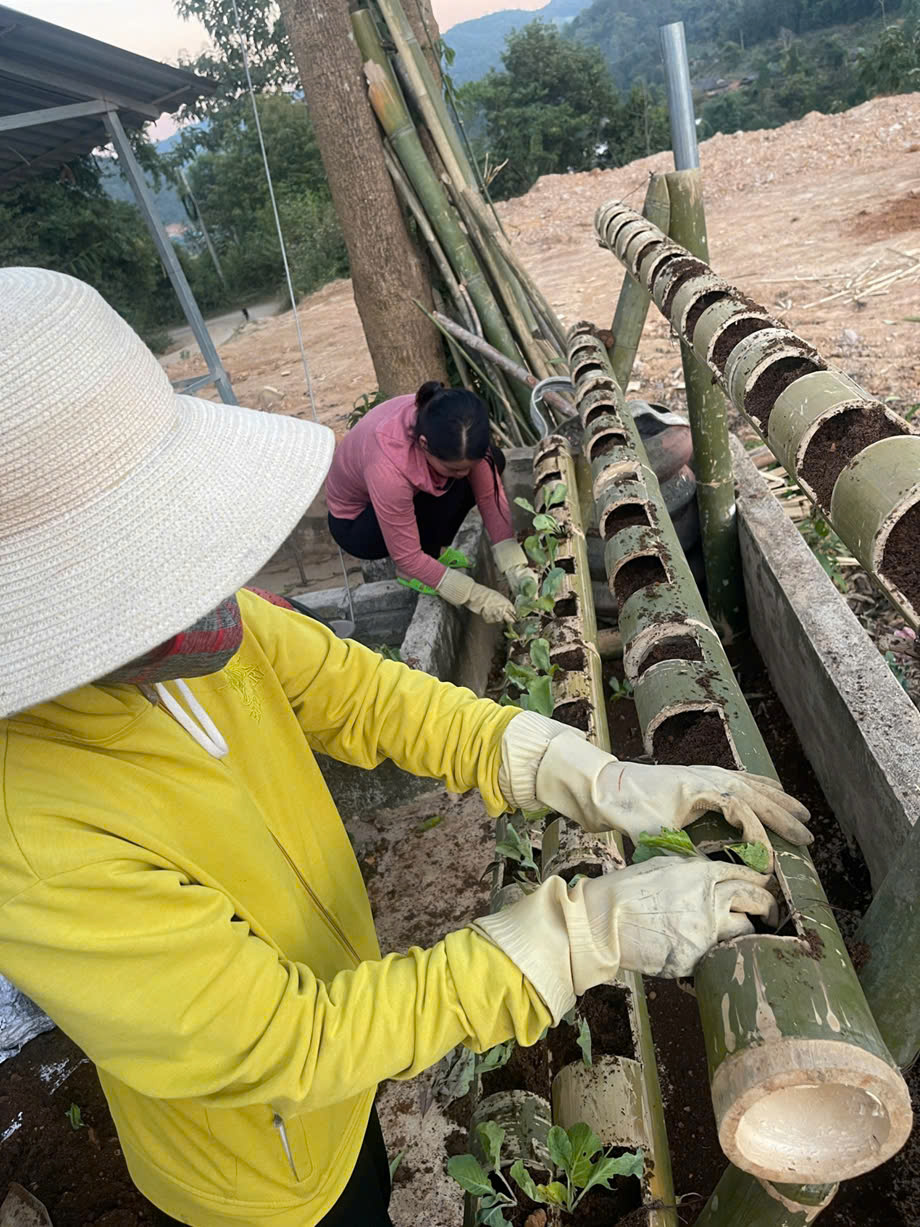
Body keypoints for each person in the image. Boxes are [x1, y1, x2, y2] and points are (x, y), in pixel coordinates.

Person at [0, 269, 813, 1227]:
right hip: (260, 1175)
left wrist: (582, 770)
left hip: (343, 1083)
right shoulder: (31, 838)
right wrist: (582, 935)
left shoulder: (212, 639)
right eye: (173, 564)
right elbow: (285, 1044)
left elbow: (371, 696)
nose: (229, 585)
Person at [326, 382, 537, 625]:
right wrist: (473, 595)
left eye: (468, 465)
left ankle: (432, 554)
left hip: (401, 497)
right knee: (443, 492)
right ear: (424, 444)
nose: (464, 472)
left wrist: (514, 564)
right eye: (454, 467)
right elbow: (406, 556)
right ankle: (417, 569)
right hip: (358, 525)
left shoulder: (456, 427)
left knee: (492, 462)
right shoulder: (388, 468)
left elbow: (488, 497)